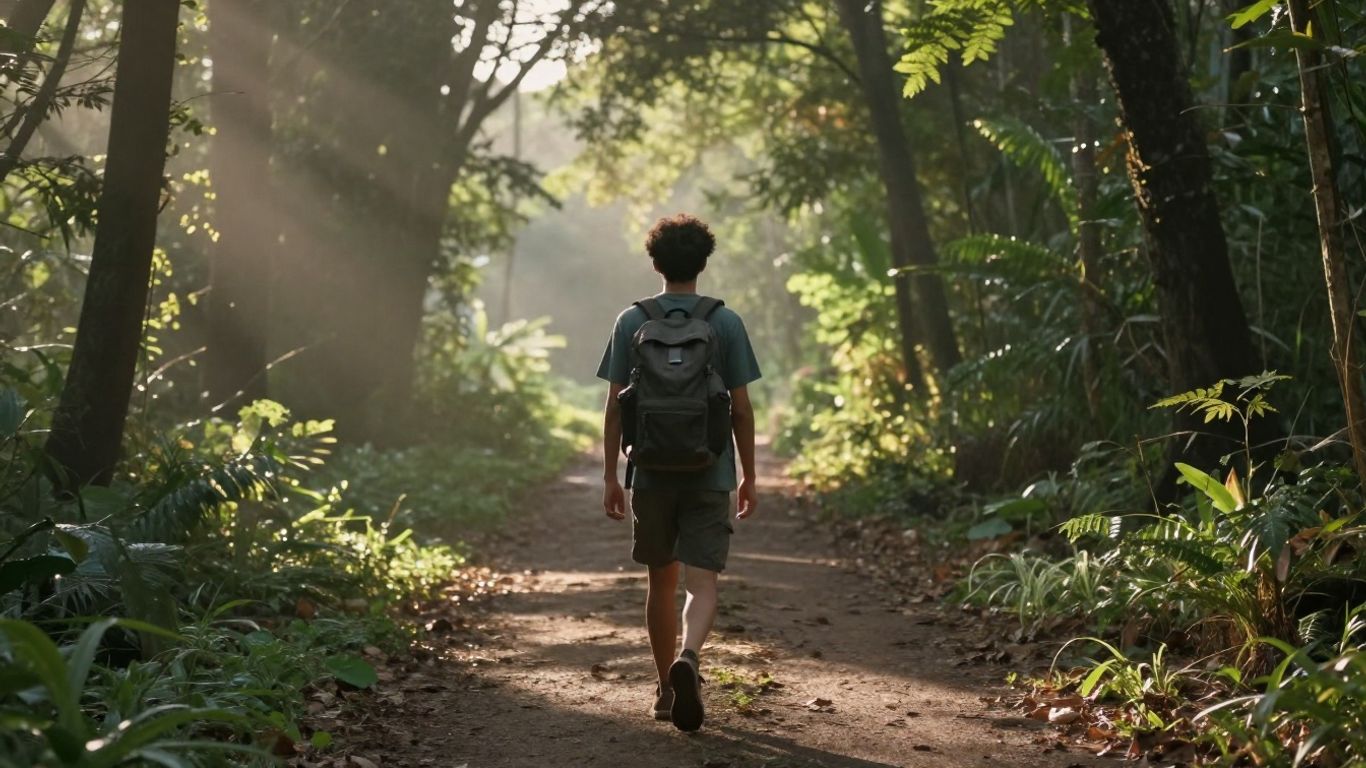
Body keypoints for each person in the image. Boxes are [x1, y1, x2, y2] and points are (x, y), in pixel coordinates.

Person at [597, 213, 761, 732]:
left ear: (655, 263)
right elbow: (741, 410)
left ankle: (666, 691)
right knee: (701, 581)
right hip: (709, 470)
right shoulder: (725, 322)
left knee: (660, 579)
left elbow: (615, 407)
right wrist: (748, 475)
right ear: (703, 263)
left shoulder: (631, 321)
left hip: (649, 471)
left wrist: (610, 475)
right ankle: (689, 656)